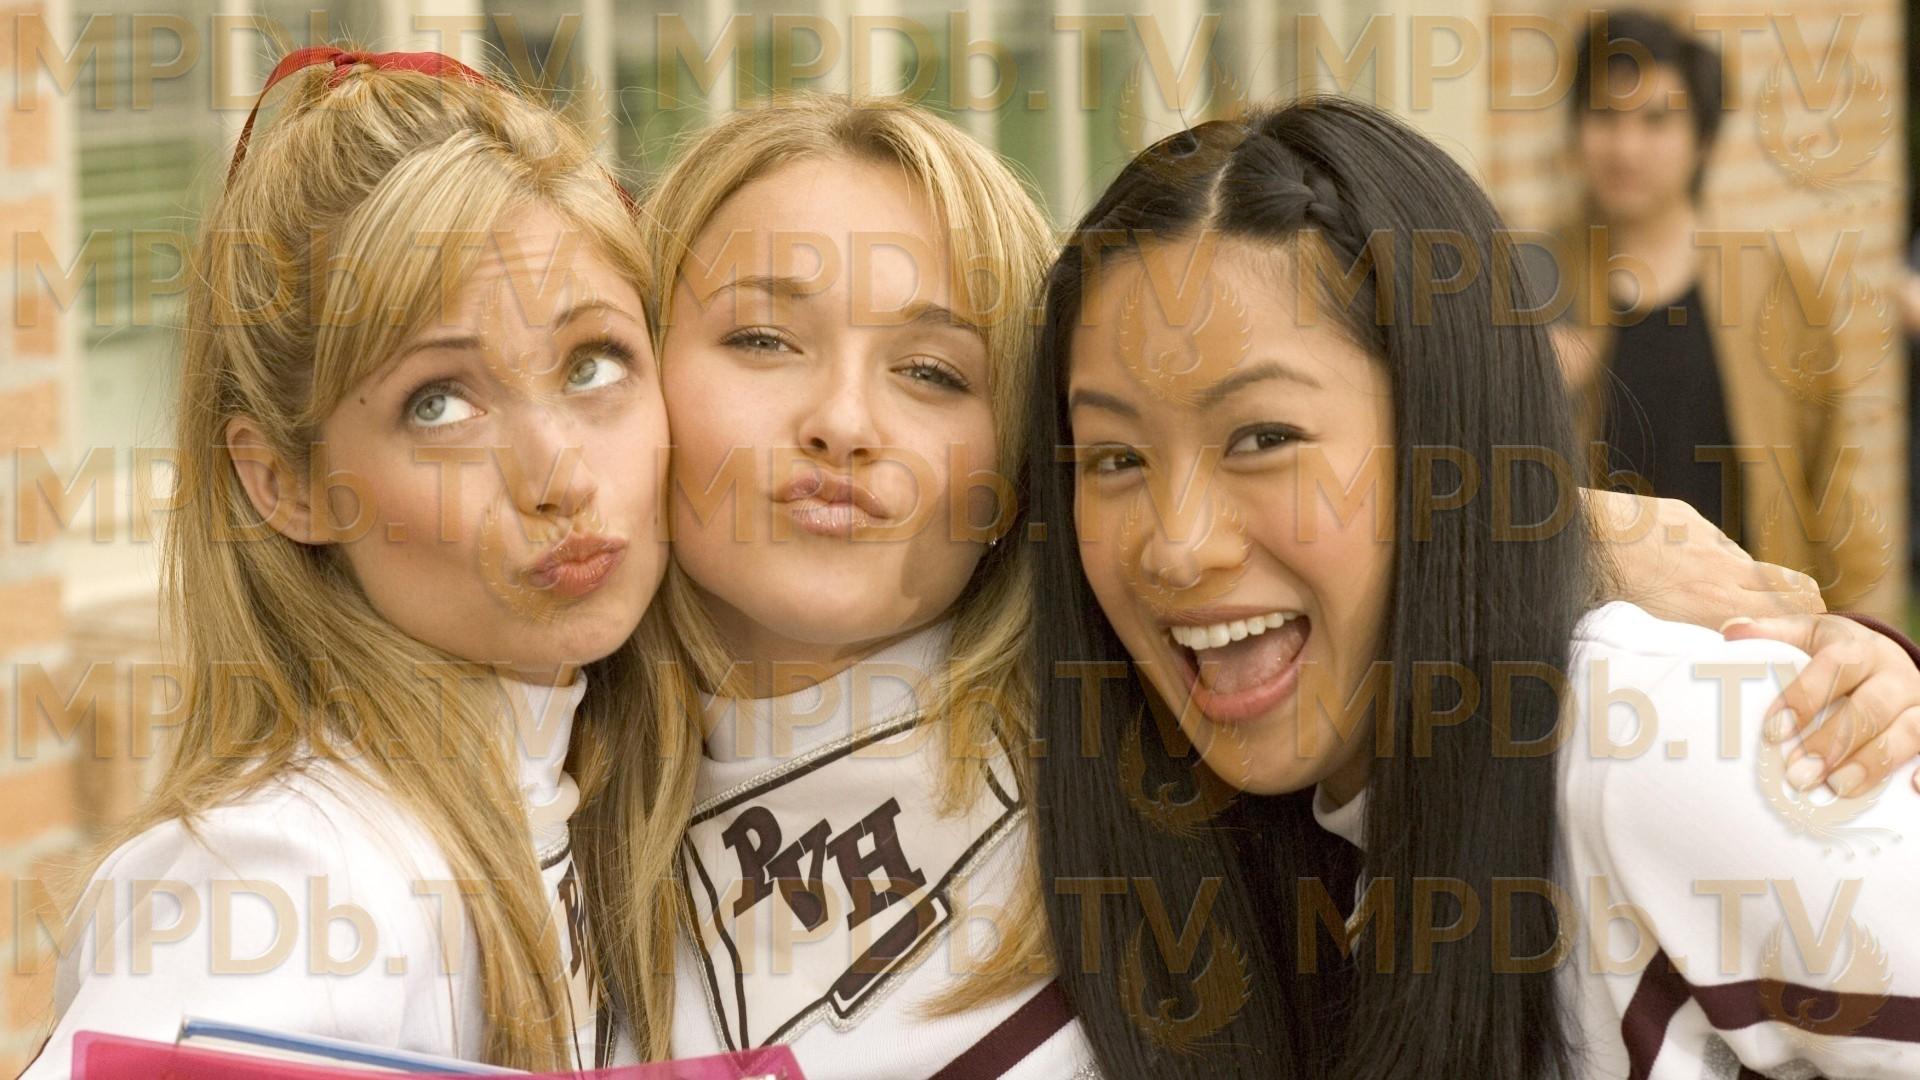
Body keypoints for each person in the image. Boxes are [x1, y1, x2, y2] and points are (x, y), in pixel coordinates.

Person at [1026, 97, 1920, 1078]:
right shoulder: (1255, 830)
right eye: (1113, 457)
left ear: (1442, 427)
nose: (1177, 548)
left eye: (1265, 437)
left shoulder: (1652, 746)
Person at [21, 46, 676, 1075]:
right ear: (286, 481)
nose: (559, 474)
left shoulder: (583, 788)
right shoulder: (292, 878)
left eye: (592, 364)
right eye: (439, 403)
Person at [582, 95, 1103, 1078]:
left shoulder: (1154, 834)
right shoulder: (504, 817)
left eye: (932, 371)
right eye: (764, 339)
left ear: (1017, 465)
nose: (845, 423)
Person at [1546, 10, 1884, 609]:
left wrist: (1852, 622)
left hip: (1752, 624)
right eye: (1605, 116)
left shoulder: (1774, 287)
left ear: (1701, 139)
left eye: (1656, 120)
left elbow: (1828, 478)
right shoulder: (1537, 282)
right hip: (1601, 627)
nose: (1626, 147)